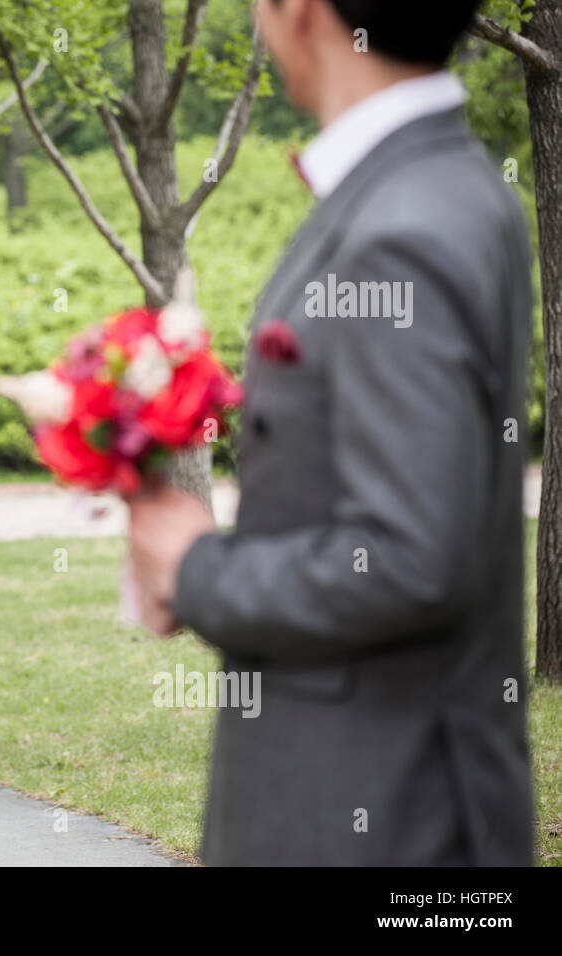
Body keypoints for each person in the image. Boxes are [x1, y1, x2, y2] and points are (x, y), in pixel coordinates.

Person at [127, 0, 535, 865]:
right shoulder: (439, 188)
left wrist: (197, 568)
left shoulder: (403, 230)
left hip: (379, 815)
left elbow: (411, 559)